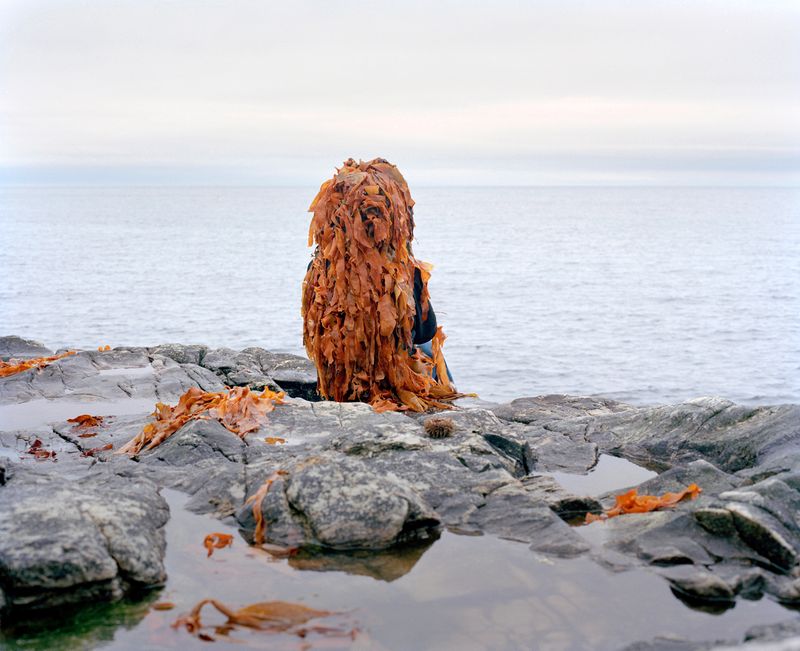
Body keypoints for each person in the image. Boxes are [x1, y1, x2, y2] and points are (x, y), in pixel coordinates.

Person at [302, 158, 459, 411]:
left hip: (339, 388)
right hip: (392, 387)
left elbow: (313, 336)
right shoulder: (406, 272)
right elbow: (424, 331)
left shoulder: (317, 269)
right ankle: (453, 399)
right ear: (395, 216)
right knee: (428, 347)